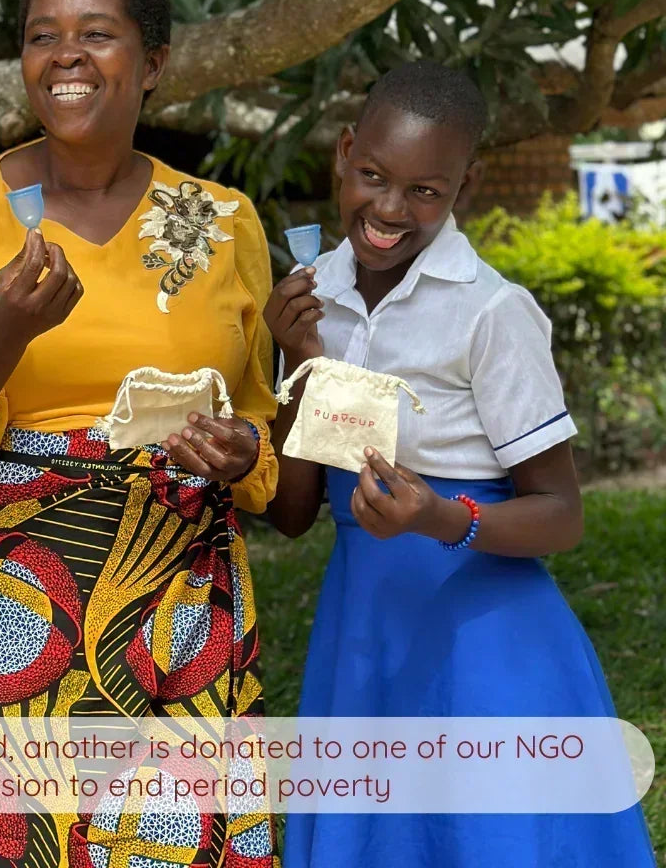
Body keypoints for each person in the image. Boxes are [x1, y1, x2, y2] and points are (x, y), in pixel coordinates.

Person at [0, 0, 281, 867]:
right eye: (41, 35)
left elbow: (259, 415)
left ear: (154, 62)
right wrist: (4, 333)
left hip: (180, 596)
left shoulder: (217, 222)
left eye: (97, 33)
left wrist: (244, 451)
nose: (65, 55)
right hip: (23, 605)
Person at [264, 60, 656, 866]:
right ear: (343, 152)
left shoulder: (489, 312)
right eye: (372, 176)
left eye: (424, 192)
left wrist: (442, 517)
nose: (388, 209)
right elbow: (295, 511)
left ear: (464, 186)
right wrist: (298, 355)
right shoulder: (312, 297)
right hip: (365, 636)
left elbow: (562, 513)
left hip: (484, 649)